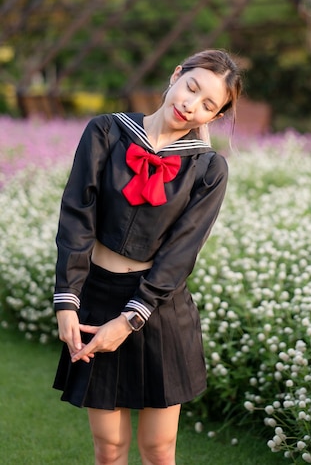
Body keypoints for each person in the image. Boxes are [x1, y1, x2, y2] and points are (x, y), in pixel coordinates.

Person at [53, 49, 242, 465]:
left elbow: (181, 253)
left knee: (158, 450)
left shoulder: (209, 169)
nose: (191, 104)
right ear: (176, 75)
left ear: (215, 117)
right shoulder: (105, 132)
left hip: (158, 307)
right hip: (96, 299)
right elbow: (76, 217)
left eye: (209, 105)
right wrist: (66, 299)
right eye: (191, 87)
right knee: (109, 448)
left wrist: (130, 319)